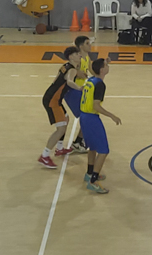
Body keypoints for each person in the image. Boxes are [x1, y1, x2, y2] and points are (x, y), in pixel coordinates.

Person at [80, 58, 122, 194]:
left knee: (92, 147)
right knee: (103, 150)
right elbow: (96, 106)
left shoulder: (91, 80)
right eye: (106, 65)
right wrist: (112, 115)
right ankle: (93, 181)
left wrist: (104, 60)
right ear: (103, 70)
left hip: (83, 116)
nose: (108, 66)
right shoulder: (100, 85)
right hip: (91, 118)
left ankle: (89, 173)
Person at [38, 46, 82, 169]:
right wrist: (80, 88)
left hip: (52, 97)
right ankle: (44, 156)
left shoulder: (66, 66)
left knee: (66, 119)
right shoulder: (71, 70)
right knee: (61, 129)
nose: (80, 55)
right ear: (71, 56)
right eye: (77, 54)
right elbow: (69, 81)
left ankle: (60, 148)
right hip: (53, 101)